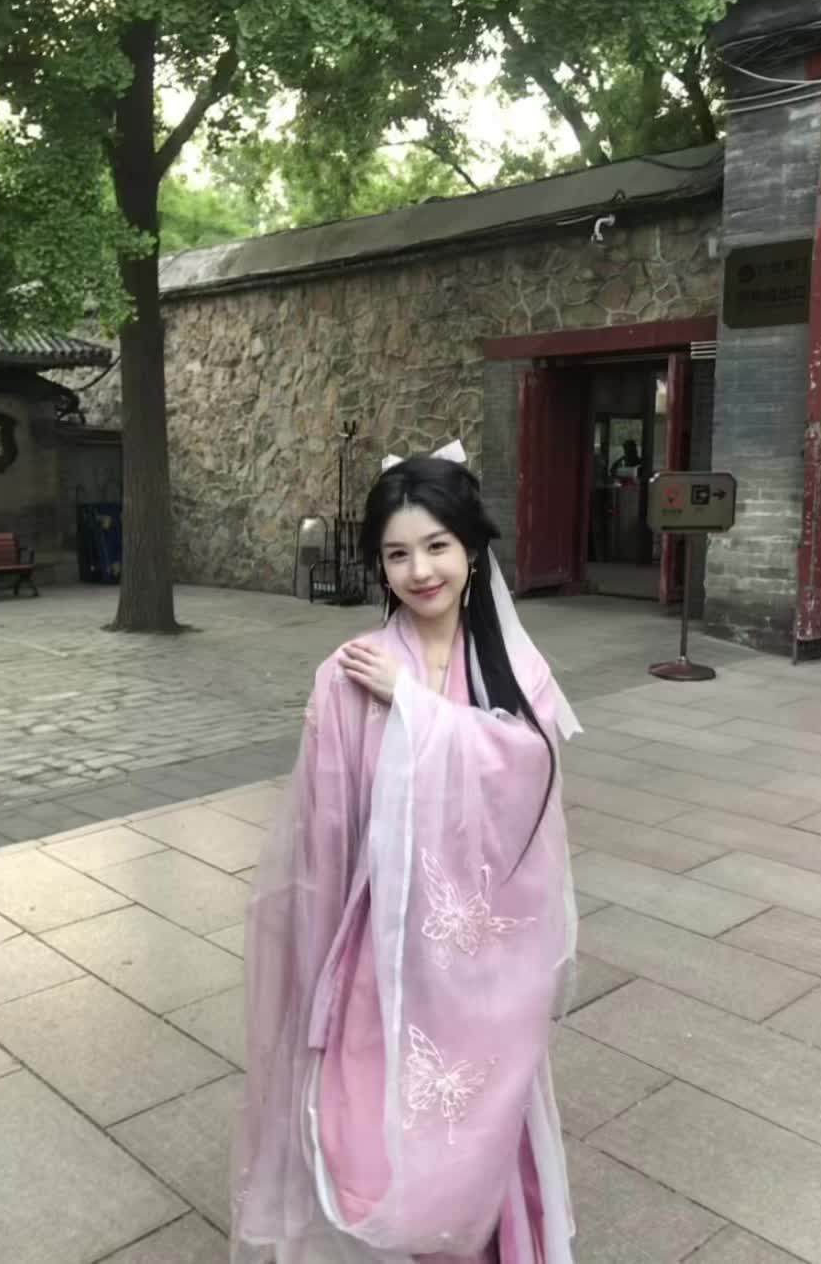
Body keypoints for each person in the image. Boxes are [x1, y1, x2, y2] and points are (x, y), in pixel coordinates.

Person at [232, 442, 580, 1264]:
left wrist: (417, 709)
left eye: (437, 546)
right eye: (396, 554)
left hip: (484, 947)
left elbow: (532, 772)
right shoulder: (349, 672)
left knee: (488, 1111)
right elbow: (326, 827)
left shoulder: (515, 665)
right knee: (371, 1122)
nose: (420, 571)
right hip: (383, 939)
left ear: (472, 550)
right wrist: (319, 955)